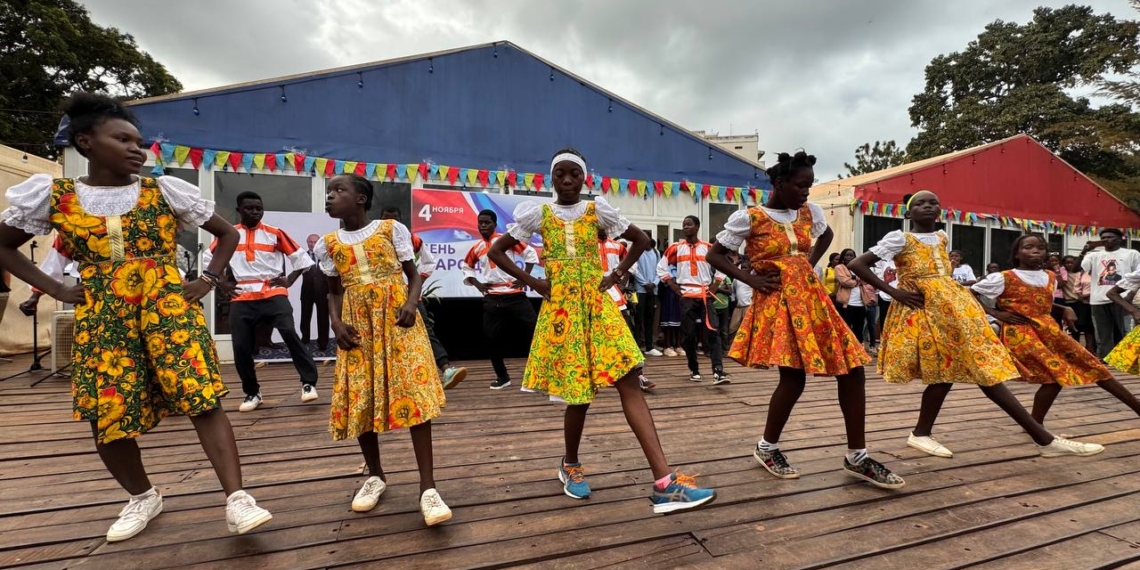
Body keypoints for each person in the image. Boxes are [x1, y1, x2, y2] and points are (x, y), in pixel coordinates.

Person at [0, 93, 272, 542]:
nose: (136, 150)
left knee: (201, 397)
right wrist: (57, 289)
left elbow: (226, 234)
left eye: (139, 142)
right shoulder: (55, 196)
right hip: (103, 316)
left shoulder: (162, 190)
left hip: (167, 311)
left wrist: (207, 280)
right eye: (122, 139)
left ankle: (237, 498)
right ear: (85, 142)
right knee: (106, 409)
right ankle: (142, 496)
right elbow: (4, 245)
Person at [488, 148, 716, 514]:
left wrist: (617, 273)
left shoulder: (597, 211)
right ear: (551, 178)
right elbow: (497, 251)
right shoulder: (539, 214)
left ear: (584, 178)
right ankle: (570, 463)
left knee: (629, 379)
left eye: (574, 174)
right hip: (563, 311)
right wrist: (535, 283)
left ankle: (664, 483)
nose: (567, 180)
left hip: (597, 306)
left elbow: (642, 240)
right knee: (578, 395)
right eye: (560, 174)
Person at [849, 190, 1103, 460]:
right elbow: (857, 264)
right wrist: (894, 291)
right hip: (923, 310)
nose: (928, 206)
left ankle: (922, 433)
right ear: (908, 213)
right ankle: (1043, 440)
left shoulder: (942, 236)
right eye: (920, 203)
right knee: (969, 370)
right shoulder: (900, 238)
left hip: (952, 306)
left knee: (954, 371)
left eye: (933, 202)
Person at [708, 150, 904, 489]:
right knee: (793, 378)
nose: (806, 192)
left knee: (853, 369)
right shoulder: (750, 217)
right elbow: (715, 254)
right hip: (779, 302)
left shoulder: (809, 212)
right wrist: (752, 279)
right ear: (779, 183)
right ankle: (767, 448)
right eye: (800, 186)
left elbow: (825, 236)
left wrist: (807, 262)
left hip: (812, 298)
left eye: (809, 186)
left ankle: (857, 456)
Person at [316, 174, 452, 526]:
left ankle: (428, 487)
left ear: (361, 199)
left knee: (413, 395)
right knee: (361, 396)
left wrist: (411, 303)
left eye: (338, 191)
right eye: (328, 192)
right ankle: (375, 475)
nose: (330, 197)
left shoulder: (391, 230)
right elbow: (334, 291)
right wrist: (335, 323)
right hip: (357, 328)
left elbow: (414, 274)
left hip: (398, 323)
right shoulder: (328, 244)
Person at [973, 234, 1140, 427]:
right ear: (1017, 253)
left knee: (1095, 366)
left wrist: (1064, 308)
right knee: (1054, 376)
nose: (1035, 251)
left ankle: (1036, 425)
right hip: (1021, 332)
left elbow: (1039, 302)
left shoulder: (1050, 276)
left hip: (1048, 329)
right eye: (1028, 247)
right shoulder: (1003, 277)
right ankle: (1036, 425)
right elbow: (969, 293)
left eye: (1040, 248)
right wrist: (996, 313)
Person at [205, 191, 319, 411]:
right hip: (242, 295)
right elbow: (208, 260)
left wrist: (289, 280)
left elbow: (302, 259)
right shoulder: (228, 235)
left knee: (289, 333)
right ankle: (252, 393)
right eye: (250, 208)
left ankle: (308, 383)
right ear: (239, 210)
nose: (255, 212)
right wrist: (222, 283)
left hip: (272, 292)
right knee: (241, 346)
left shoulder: (274, 233)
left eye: (259, 208)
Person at [381, 206, 467, 390]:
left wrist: (417, 282)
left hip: (410, 297)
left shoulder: (411, 239)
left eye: (395, 219)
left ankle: (446, 370)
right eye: (387, 220)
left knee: (426, 331)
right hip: (383, 297)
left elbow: (429, 261)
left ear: (401, 221)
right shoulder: (373, 241)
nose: (391, 223)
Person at [461, 209, 539, 390]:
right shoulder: (477, 247)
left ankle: (539, 375)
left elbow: (530, 254)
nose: (483, 226)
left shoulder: (505, 241)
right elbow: (466, 266)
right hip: (492, 298)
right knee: (491, 338)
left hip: (515, 296)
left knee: (534, 334)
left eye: (487, 222)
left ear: (495, 225)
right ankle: (502, 377)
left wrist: (525, 278)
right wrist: (477, 284)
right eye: (480, 222)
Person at [658, 216, 730, 385]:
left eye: (689, 224)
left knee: (713, 331)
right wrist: (672, 284)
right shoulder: (675, 248)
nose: (685, 227)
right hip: (686, 296)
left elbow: (722, 266)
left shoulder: (708, 248)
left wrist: (715, 285)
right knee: (688, 336)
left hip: (705, 295)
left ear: (697, 227)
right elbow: (661, 268)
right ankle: (694, 370)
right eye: (684, 225)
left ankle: (718, 371)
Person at [597, 228, 655, 391]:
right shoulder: (586, 244)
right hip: (593, 295)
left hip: (614, 293)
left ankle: (638, 374)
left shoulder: (617, 246)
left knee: (626, 332)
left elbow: (632, 263)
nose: (601, 228)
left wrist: (622, 282)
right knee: (601, 336)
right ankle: (607, 373)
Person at [1080, 228, 1140, 358]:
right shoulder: (1094, 255)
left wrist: (1130, 295)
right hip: (1098, 300)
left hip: (1122, 299)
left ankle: (1125, 358)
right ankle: (1105, 358)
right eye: (1103, 238)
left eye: (1109, 237)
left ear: (1120, 239)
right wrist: (1084, 251)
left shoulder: (1132, 253)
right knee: (1102, 333)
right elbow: (1076, 268)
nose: (1105, 239)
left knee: (1124, 330)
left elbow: (1137, 276)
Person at [632, 229, 662, 357]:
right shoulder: (636, 251)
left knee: (649, 318)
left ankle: (649, 347)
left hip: (652, 290)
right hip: (640, 290)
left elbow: (660, 269)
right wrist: (645, 283)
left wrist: (654, 283)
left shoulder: (656, 252)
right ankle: (636, 347)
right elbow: (634, 269)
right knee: (638, 318)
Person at [299, 233, 330, 352]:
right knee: (305, 317)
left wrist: (330, 292)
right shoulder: (303, 256)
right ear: (307, 243)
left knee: (323, 318)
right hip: (307, 292)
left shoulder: (325, 257)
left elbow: (330, 275)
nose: (312, 244)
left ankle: (323, 342)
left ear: (319, 243)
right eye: (310, 242)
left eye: (314, 242)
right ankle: (305, 339)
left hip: (322, 293)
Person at [833, 248, 868, 343]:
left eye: (851, 255)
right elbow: (844, 282)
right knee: (846, 328)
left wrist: (854, 278)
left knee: (859, 328)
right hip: (847, 304)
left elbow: (865, 280)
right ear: (843, 257)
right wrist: (857, 280)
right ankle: (848, 348)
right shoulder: (839, 267)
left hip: (860, 304)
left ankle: (859, 347)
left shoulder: (858, 268)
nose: (849, 257)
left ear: (854, 257)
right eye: (846, 255)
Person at [658, 257, 683, 357]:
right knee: (669, 321)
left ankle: (678, 345)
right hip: (669, 296)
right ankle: (668, 346)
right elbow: (667, 280)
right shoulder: (667, 268)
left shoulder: (683, 267)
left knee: (680, 321)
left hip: (681, 295)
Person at [728, 254, 753, 340]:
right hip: (738, 307)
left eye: (745, 268)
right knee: (732, 328)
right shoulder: (736, 279)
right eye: (742, 268)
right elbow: (732, 291)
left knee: (748, 328)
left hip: (748, 307)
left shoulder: (753, 279)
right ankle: (731, 345)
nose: (743, 269)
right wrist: (733, 300)